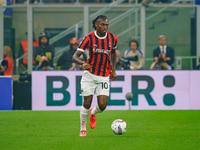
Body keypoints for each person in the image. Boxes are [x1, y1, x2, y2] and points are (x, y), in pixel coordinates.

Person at [72, 15, 118, 137]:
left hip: (104, 75)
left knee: (102, 106)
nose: (105, 27)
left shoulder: (113, 38)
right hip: (90, 75)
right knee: (87, 102)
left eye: (107, 25)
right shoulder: (88, 38)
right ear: (96, 25)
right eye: (102, 24)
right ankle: (83, 128)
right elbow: (75, 56)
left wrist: (113, 70)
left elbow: (113, 53)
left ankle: (93, 113)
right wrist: (83, 63)